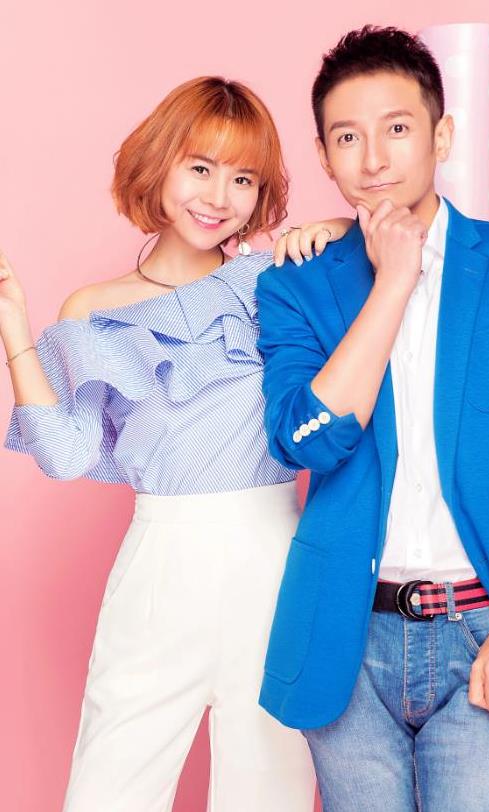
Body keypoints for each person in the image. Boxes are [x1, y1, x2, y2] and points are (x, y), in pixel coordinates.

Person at [255, 25, 489, 812]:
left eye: (396, 128)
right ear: (322, 156)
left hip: (484, 622)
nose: (372, 159)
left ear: (440, 135)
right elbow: (309, 439)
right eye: (346, 137)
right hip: (346, 638)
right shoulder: (294, 284)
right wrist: (392, 281)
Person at [1, 75, 350, 811]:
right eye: (200, 167)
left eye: (243, 178)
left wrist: (333, 229)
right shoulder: (96, 309)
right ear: (158, 165)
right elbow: (65, 455)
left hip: (276, 564)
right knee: (110, 788)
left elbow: (393, 239)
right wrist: (13, 328)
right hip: (160, 569)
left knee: (272, 791)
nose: (219, 196)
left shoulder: (272, 280)